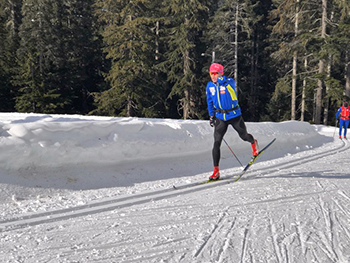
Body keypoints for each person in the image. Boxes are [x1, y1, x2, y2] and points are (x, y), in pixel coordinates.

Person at [206, 63, 258, 181]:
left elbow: (230, 85)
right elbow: (209, 101)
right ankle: (216, 171)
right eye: (211, 73)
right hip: (220, 117)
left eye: (215, 73)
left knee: (244, 136)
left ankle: (253, 142)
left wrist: (221, 80)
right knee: (216, 143)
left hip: (234, 115)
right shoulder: (209, 86)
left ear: (221, 73)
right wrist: (211, 116)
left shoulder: (228, 82)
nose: (213, 76)